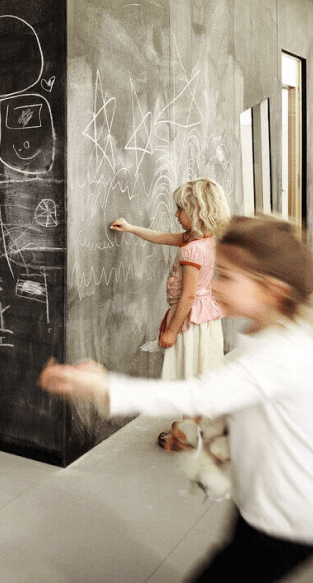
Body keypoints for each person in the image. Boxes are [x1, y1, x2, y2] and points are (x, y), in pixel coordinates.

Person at [41, 215, 313, 583]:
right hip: (264, 506)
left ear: (272, 291)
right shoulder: (274, 334)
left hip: (289, 521)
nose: (212, 284)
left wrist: (103, 386)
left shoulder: (281, 356)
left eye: (226, 276)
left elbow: (197, 393)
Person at [110, 177, 229, 451]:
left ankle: (188, 436)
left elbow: (187, 297)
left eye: (180, 210)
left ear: (197, 213)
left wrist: (171, 331)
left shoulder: (192, 251)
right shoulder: (202, 239)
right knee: (198, 374)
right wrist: (131, 228)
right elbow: (162, 237)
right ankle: (195, 426)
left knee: (189, 375)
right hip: (205, 319)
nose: (176, 215)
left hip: (191, 322)